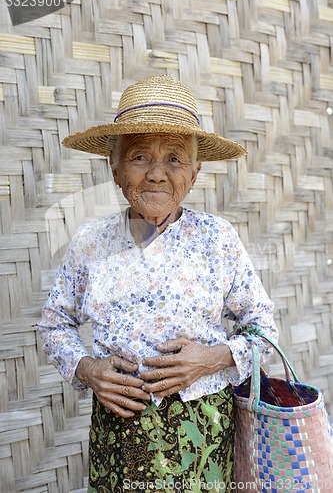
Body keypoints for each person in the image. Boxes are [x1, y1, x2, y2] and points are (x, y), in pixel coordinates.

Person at [38, 75, 278, 492]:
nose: (156, 174)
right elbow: (54, 324)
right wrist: (87, 369)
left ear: (195, 172)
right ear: (114, 168)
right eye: (139, 157)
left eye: (174, 159)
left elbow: (264, 332)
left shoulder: (216, 239)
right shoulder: (91, 242)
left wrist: (211, 358)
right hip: (119, 437)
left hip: (204, 436)